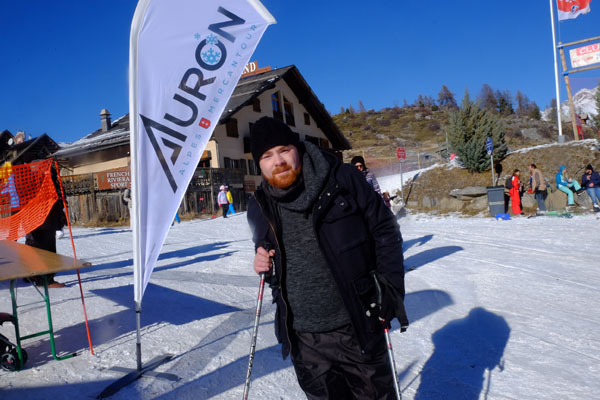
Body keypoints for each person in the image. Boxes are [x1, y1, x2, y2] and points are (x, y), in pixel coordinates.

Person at [247, 116, 408, 399]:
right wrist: (264, 264)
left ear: (297, 148)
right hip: (305, 340)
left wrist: (390, 288)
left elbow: (385, 230)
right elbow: (271, 260)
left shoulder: (342, 179)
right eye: (267, 156)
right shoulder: (259, 205)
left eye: (284, 150)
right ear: (259, 164)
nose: (278, 161)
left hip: (357, 326)